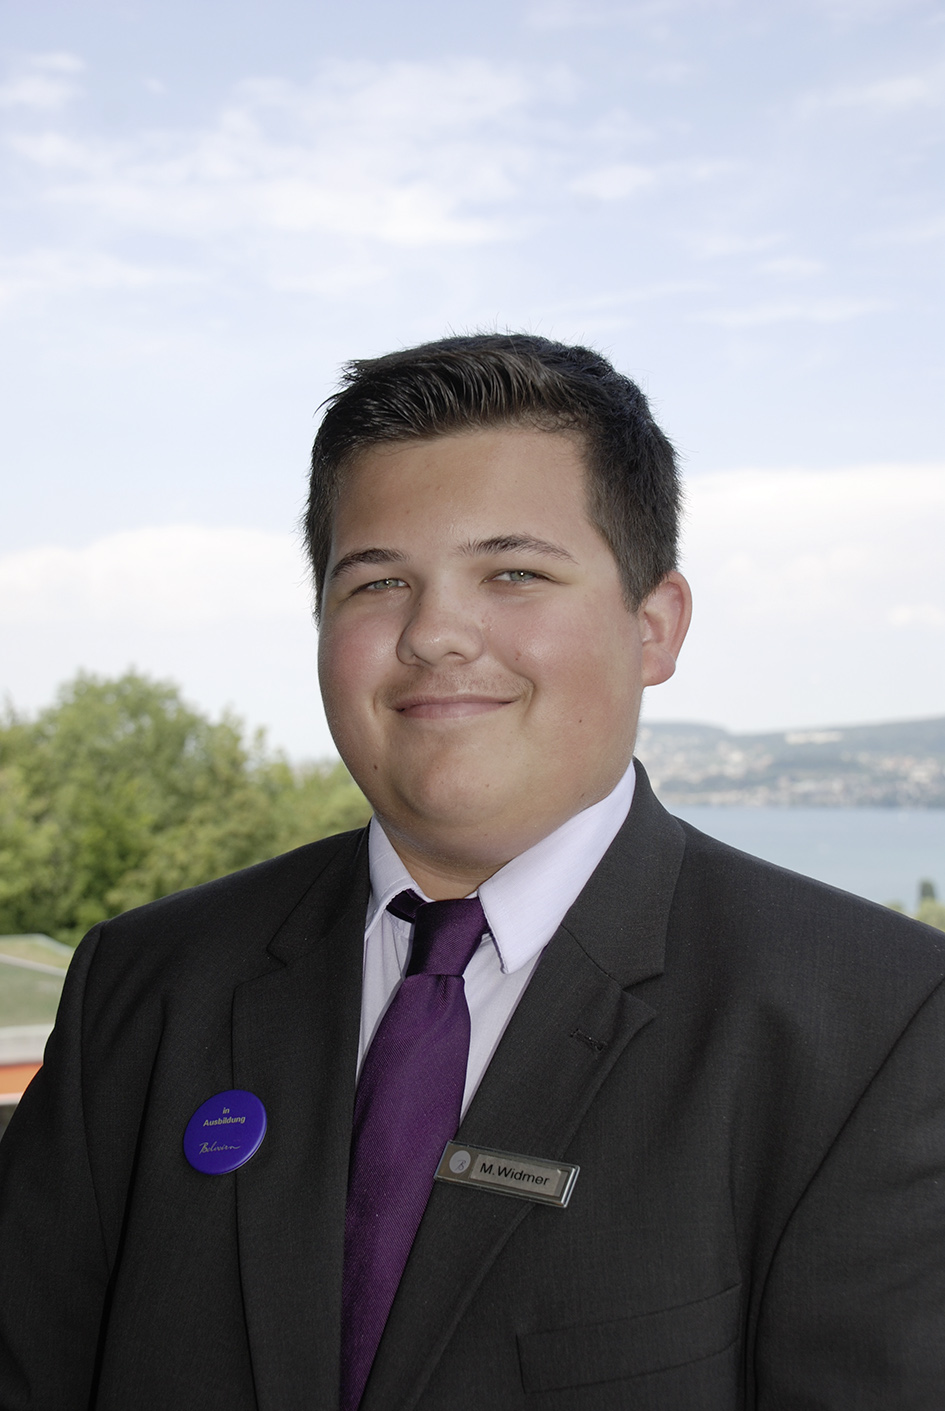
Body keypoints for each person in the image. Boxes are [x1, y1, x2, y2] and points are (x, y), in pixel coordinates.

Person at [1, 333, 943, 1411]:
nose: (435, 633)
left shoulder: (875, 1027)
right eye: (378, 580)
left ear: (653, 626)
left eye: (513, 573)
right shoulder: (145, 985)